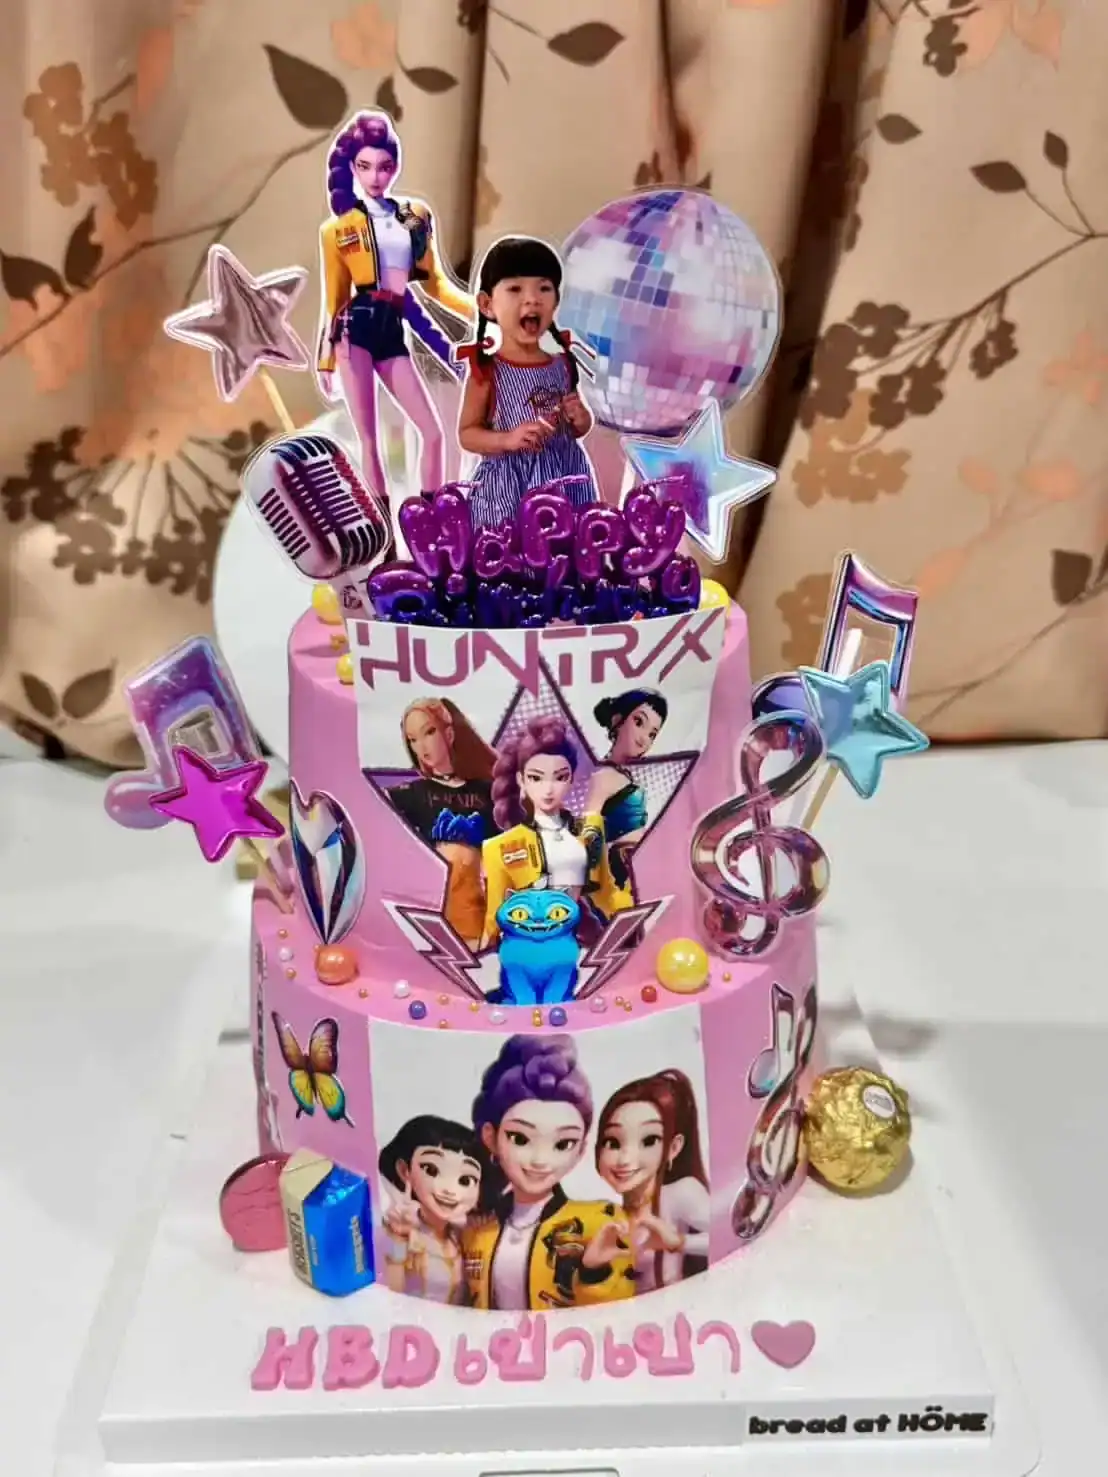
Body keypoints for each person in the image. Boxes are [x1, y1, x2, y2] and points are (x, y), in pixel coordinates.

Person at [316, 110, 473, 505]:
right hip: (353, 331)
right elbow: (334, 299)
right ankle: (384, 529)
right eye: (365, 166)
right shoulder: (337, 229)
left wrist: (484, 311)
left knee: (432, 432)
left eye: (384, 167)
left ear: (396, 167)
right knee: (370, 441)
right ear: (353, 167)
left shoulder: (413, 216)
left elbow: (438, 286)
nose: (375, 177)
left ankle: (432, 519)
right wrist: (324, 361)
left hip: (392, 330)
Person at [462, 1035, 635, 1311]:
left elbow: (619, 1310)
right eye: (520, 1139)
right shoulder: (477, 1229)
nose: (540, 1161)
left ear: (580, 1150)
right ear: (491, 1137)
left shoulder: (600, 1222)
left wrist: (594, 1271)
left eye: (563, 1144)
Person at [456, 236, 598, 529]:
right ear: (487, 304)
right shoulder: (487, 372)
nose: (532, 298)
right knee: (513, 549)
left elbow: (575, 431)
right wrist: (506, 440)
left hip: (566, 480)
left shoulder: (563, 365)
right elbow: (467, 434)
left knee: (567, 548)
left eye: (544, 288)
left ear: (556, 301)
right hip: (510, 490)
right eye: (515, 289)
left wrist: (581, 420)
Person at [480, 716, 618, 949]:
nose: (548, 789)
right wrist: (480, 959)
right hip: (527, 948)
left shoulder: (589, 830)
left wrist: (631, 927)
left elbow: (608, 895)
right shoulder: (499, 848)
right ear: (521, 780)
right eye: (536, 778)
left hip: (582, 946)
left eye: (560, 777)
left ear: (571, 778)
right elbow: (494, 920)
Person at [586, 1069, 710, 1294]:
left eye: (649, 1140)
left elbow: (726, 1236)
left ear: (673, 1148)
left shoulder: (680, 1193)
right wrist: (592, 1268)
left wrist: (679, 1243)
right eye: (613, 1143)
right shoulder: (606, 1217)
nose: (624, 1160)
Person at [387, 698, 497, 948]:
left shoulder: (488, 791)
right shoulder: (406, 795)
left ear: (449, 733)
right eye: (413, 739)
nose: (422, 746)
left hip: (483, 911)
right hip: (431, 913)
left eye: (429, 732)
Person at [378, 1114, 487, 1305]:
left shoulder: (461, 1236)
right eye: (431, 1170)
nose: (449, 1190)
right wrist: (398, 1240)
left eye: (465, 1180)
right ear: (404, 1170)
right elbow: (389, 1296)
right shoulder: (398, 1232)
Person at [585, 688, 669, 911]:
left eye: (652, 734)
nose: (644, 739)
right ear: (618, 720)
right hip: (613, 881)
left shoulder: (627, 777)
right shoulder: (603, 776)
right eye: (639, 722)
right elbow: (589, 830)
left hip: (637, 877)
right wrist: (598, 885)